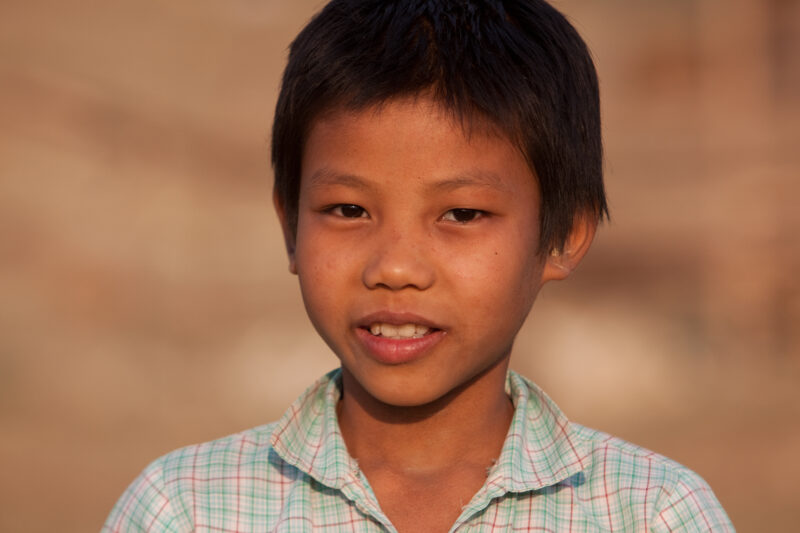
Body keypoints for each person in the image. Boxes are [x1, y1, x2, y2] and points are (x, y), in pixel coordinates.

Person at [103, 1, 734, 531]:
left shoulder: (649, 512)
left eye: (460, 215)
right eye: (348, 209)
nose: (396, 267)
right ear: (289, 225)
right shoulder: (187, 508)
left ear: (563, 235)